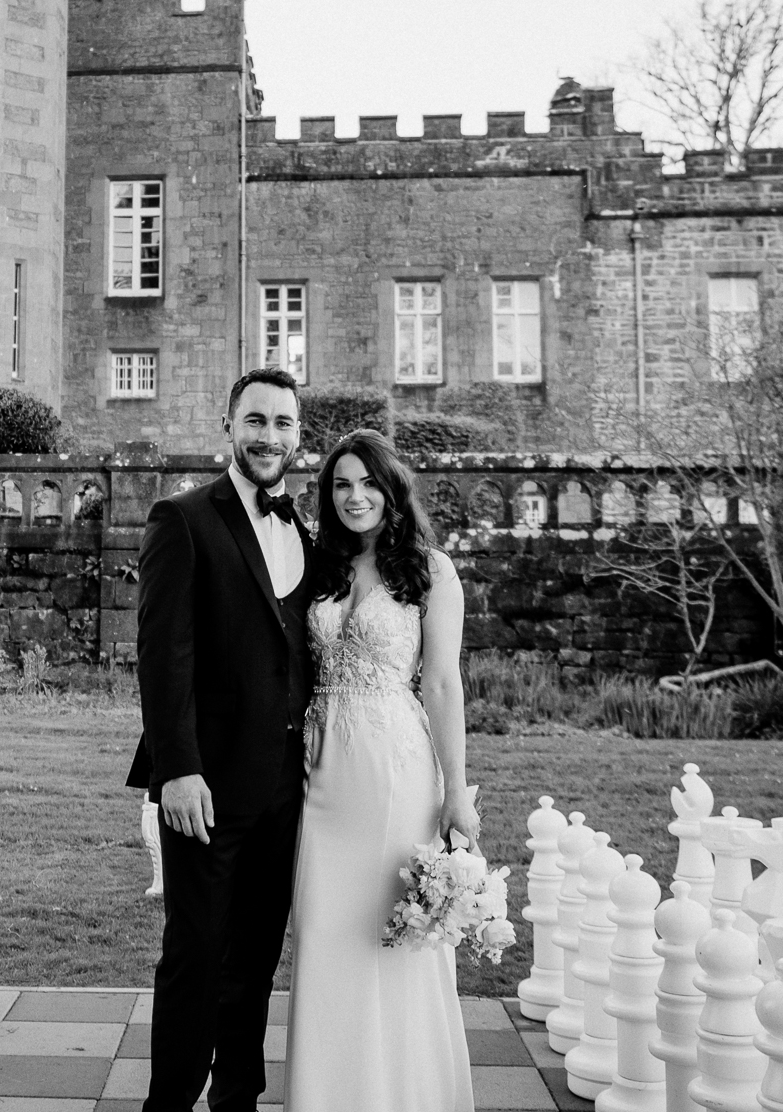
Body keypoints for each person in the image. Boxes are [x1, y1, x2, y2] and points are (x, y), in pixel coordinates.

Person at [126, 367, 314, 1112]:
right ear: (228, 427)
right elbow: (161, 653)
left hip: (285, 789)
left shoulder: (302, 528)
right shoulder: (184, 519)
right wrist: (177, 770)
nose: (270, 436)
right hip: (203, 785)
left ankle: (237, 1097)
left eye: (284, 424)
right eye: (257, 421)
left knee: (255, 957)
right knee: (196, 955)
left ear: (298, 436)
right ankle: (167, 1103)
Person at [285, 426, 478, 1112]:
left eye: (368, 482)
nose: (355, 496)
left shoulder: (430, 571)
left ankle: (404, 1095)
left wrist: (457, 793)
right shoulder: (319, 567)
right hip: (319, 766)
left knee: (392, 934)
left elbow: (444, 685)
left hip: (394, 766)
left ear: (391, 490)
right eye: (341, 484)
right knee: (322, 931)